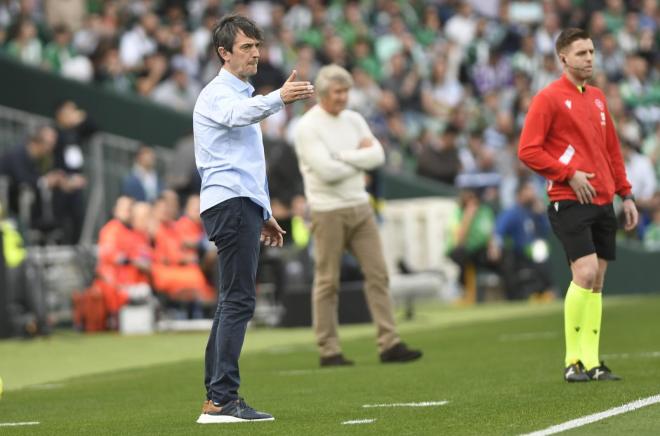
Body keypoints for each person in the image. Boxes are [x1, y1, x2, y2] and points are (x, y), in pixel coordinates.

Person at [193, 14, 314, 424]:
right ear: (223, 53)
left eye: (257, 46)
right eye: (246, 47)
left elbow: (244, 162)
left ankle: (216, 398)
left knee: (232, 299)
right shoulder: (219, 95)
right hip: (229, 202)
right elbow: (237, 117)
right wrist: (279, 98)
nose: (255, 54)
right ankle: (222, 399)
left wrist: (263, 212)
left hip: (237, 203)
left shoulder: (239, 94)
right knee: (239, 299)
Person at [518, 28, 638, 382]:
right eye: (582, 53)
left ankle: (593, 362)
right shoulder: (548, 98)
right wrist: (568, 174)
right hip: (569, 199)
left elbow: (611, 151)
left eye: (592, 51)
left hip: (603, 200)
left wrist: (626, 194)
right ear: (563, 58)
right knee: (584, 273)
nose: (589, 58)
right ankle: (572, 361)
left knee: (597, 281)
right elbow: (528, 149)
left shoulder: (598, 98)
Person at [293, 64, 422, 368]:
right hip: (327, 210)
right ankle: (328, 349)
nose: (343, 98)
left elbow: (377, 156)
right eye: (338, 92)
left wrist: (342, 157)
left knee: (378, 274)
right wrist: (357, 159)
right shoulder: (308, 127)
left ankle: (389, 342)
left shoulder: (354, 119)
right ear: (323, 93)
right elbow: (325, 171)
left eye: (346, 91)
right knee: (328, 281)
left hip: (360, 206)